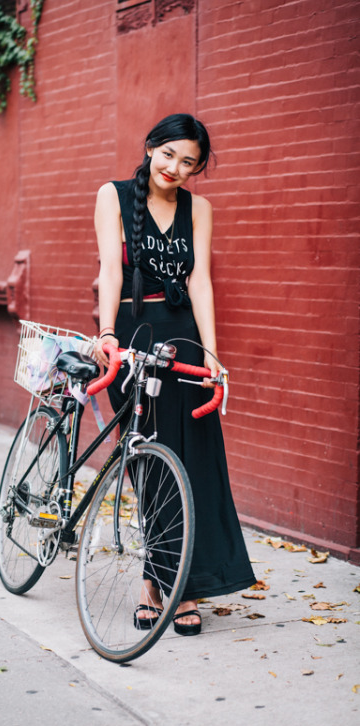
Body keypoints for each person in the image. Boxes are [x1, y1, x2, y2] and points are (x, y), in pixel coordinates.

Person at [93, 113, 256, 636]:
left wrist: (211, 352)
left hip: (182, 337)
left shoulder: (199, 208)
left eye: (189, 162)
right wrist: (106, 333)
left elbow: (201, 281)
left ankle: (185, 585)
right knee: (151, 464)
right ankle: (157, 585)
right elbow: (109, 271)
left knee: (194, 462)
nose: (175, 168)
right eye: (168, 155)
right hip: (133, 334)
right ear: (150, 147)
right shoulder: (113, 196)